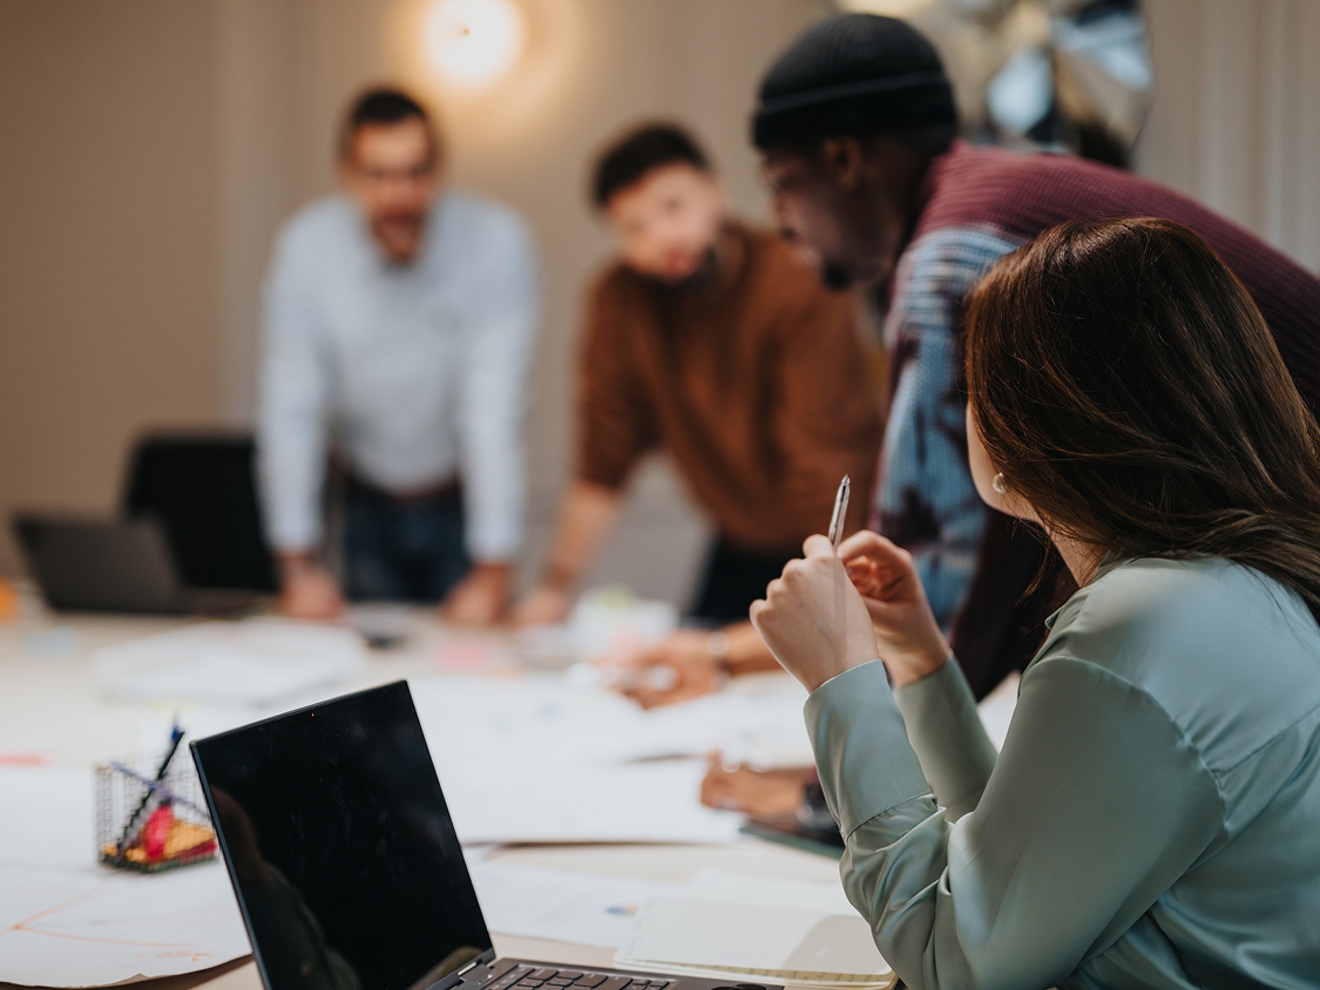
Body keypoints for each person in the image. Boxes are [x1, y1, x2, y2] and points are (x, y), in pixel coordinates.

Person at [641, 12, 1320, 718]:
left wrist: (836, 799)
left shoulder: (951, 254)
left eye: (782, 182)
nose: (781, 219)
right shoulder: (988, 198)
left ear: (844, 161)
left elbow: (938, 564)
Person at [751, 217, 1320, 988]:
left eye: (975, 389)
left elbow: (957, 957)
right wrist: (917, 658)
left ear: (1045, 415)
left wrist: (841, 680)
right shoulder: (1226, 590)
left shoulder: (1138, 627)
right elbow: (1036, 861)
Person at [511, 123, 880, 706]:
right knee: (685, 693)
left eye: (673, 206)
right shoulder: (619, 301)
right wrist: (554, 588)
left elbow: (824, 455)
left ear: (717, 192)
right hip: (737, 539)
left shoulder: (793, 275)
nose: (661, 236)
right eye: (633, 227)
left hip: (830, 538)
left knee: (817, 698)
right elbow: (604, 457)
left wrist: (833, 593)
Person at [258, 88, 539, 623]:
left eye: (415, 172)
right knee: (373, 670)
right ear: (345, 173)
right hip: (364, 499)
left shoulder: (497, 241)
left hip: (459, 500)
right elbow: (291, 410)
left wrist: (494, 571)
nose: (399, 195)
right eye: (378, 174)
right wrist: (296, 567)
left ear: (439, 169)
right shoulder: (306, 248)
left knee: (469, 666)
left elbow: (494, 409)